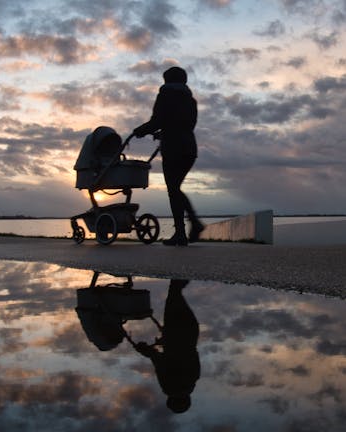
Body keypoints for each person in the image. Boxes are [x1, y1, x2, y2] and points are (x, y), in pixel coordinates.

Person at [133, 66, 204, 246]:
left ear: (167, 80)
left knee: (173, 190)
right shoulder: (191, 100)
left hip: (173, 149)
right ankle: (189, 226)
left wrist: (140, 130)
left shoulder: (165, 95)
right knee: (175, 188)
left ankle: (185, 230)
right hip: (189, 148)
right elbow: (184, 125)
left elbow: (158, 120)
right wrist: (162, 133)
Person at [133, 279, 200, 413]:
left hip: (190, 332)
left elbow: (188, 353)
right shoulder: (169, 387)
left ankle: (184, 269)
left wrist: (165, 343)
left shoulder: (194, 378)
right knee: (174, 292)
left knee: (176, 293)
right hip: (174, 332)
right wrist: (146, 350)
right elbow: (159, 361)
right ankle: (185, 265)